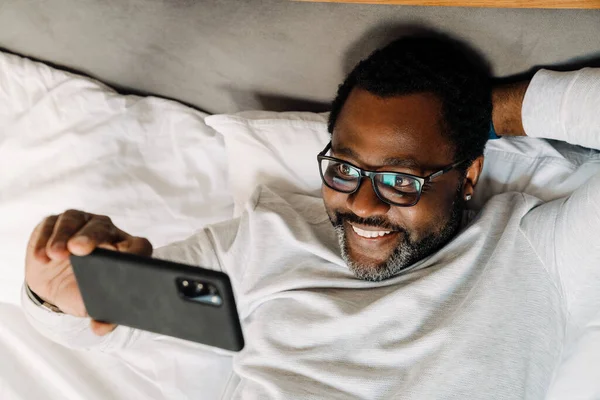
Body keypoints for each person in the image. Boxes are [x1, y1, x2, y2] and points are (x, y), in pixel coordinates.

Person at [22, 34, 600, 399]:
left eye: (402, 180)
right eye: (345, 170)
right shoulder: (266, 242)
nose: (365, 206)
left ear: (468, 176)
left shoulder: (539, 255)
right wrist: (64, 290)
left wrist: (494, 112)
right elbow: (114, 309)